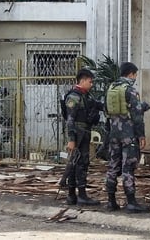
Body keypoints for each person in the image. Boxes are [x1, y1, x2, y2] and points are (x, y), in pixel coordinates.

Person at [104, 62, 150, 213]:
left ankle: (111, 201)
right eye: (135, 75)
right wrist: (141, 135)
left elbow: (106, 110)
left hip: (114, 133)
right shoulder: (130, 90)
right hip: (128, 134)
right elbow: (137, 115)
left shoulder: (111, 88)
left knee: (112, 166)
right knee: (128, 167)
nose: (135, 78)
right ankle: (131, 202)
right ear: (131, 74)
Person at [62, 68, 102, 206]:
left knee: (79, 163)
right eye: (90, 81)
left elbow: (98, 106)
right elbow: (70, 120)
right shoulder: (74, 97)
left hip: (84, 132)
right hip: (78, 134)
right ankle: (78, 195)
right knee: (79, 164)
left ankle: (73, 196)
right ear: (83, 80)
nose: (91, 84)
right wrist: (72, 139)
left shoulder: (85, 96)